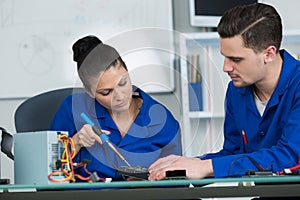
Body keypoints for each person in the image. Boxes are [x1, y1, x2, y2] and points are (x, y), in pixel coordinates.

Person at [148, 3, 300, 180]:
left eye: (236, 59)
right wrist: (185, 165)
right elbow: (233, 154)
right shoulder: (236, 91)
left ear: (268, 54)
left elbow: (290, 156)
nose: (226, 67)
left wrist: (206, 166)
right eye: (225, 57)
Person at [50, 35, 182, 181]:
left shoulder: (162, 120)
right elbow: (47, 172)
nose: (120, 96)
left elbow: (179, 183)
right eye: (106, 92)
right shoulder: (72, 110)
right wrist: (76, 141)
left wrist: (150, 184)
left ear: (126, 69)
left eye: (123, 83)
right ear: (89, 91)